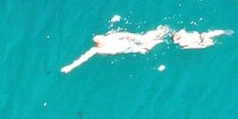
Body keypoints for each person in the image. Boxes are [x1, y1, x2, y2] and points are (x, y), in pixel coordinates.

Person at [62, 26, 228, 71]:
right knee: (144, 45)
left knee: (148, 40)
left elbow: (128, 34)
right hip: (129, 49)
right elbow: (83, 58)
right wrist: (70, 66)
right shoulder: (98, 50)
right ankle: (178, 37)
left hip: (130, 46)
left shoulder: (111, 38)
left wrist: (139, 38)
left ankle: (175, 36)